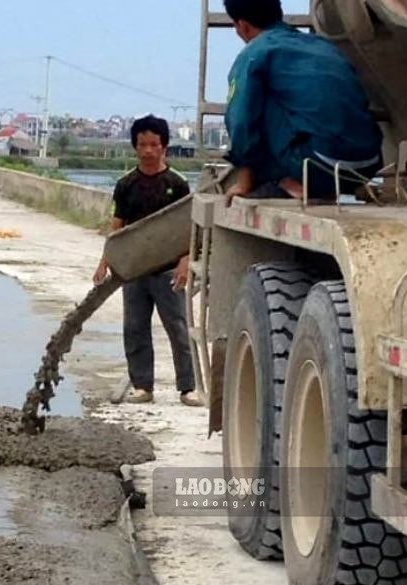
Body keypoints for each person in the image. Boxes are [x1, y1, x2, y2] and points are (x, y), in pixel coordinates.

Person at [223, 0, 382, 206]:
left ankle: (289, 183)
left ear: (242, 26)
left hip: (316, 165)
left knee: (249, 103)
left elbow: (241, 123)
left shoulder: (256, 52)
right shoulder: (324, 46)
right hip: (367, 166)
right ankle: (321, 186)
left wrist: (244, 183)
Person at [93, 115, 202, 407]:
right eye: (143, 144)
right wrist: (105, 262)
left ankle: (188, 387)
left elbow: (188, 229)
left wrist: (185, 261)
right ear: (135, 147)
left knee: (178, 328)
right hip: (134, 271)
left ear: (164, 147)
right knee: (135, 328)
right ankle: (143, 386)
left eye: (154, 144)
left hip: (168, 270)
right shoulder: (125, 185)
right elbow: (117, 229)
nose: (148, 150)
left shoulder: (177, 184)